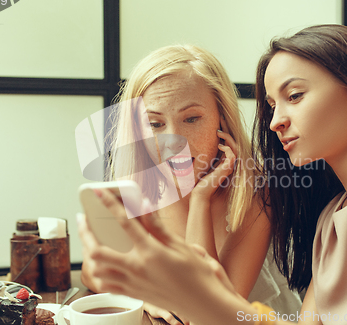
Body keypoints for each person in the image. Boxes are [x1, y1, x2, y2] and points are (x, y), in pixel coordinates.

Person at [78, 25, 347, 324]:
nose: (275, 121)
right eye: (271, 104)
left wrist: (185, 291)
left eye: (296, 95)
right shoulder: (328, 225)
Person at [80, 44, 302, 324]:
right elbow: (92, 269)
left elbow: (208, 311)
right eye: (155, 124)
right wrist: (145, 299)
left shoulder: (256, 190)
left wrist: (200, 199)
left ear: (222, 116)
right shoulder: (138, 185)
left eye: (192, 118)